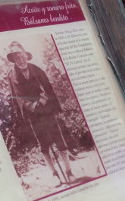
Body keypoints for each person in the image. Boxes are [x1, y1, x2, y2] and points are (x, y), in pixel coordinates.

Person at [6, 41, 76, 186]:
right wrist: (30, 106)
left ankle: (69, 172)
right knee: (44, 145)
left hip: (46, 110)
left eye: (22, 55)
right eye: (17, 57)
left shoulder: (37, 70)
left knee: (59, 140)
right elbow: (16, 97)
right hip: (32, 115)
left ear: (26, 55)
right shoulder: (12, 76)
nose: (21, 59)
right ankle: (55, 175)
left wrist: (43, 100)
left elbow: (48, 88)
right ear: (13, 59)